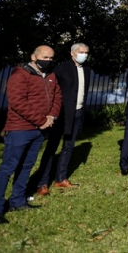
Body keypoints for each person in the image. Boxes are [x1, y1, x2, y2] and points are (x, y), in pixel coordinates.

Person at [0, 45, 62, 224]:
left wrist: (51, 116)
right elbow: (17, 101)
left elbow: (57, 96)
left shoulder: (50, 75)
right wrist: (40, 119)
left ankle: (17, 201)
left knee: (27, 166)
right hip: (20, 129)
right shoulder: (20, 74)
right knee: (8, 167)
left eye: (51, 58)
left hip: (39, 130)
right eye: (45, 57)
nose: (48, 60)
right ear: (34, 57)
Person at [36, 43, 91, 196]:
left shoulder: (86, 69)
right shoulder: (61, 68)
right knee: (52, 148)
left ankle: (61, 178)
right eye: (81, 52)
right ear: (72, 53)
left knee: (68, 146)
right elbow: (52, 91)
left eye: (86, 52)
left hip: (78, 113)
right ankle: (42, 182)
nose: (84, 55)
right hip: (61, 114)